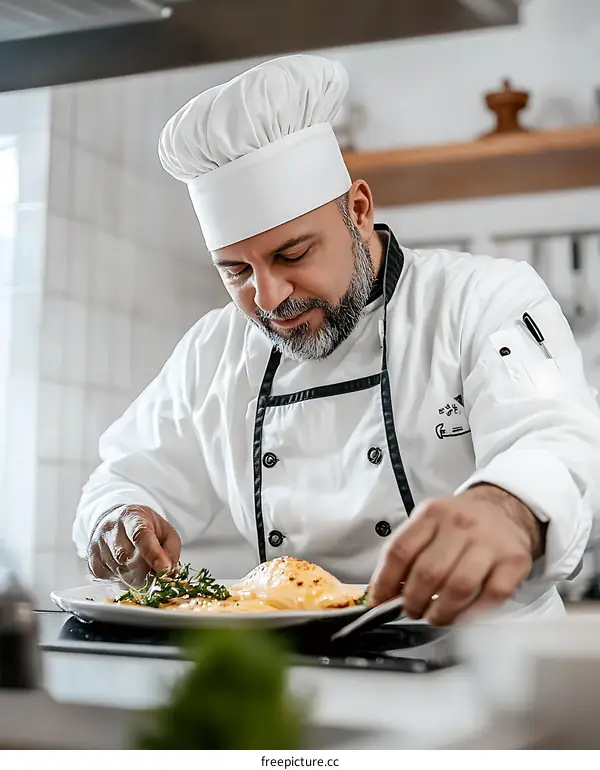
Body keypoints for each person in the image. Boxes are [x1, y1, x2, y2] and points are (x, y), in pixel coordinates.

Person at [73, 54, 600, 625]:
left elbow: (558, 441)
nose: (269, 297)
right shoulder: (215, 351)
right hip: (300, 678)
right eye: (236, 272)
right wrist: (119, 519)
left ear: (359, 209)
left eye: (292, 254)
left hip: (485, 669)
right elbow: (126, 476)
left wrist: (508, 506)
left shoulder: (481, 299)